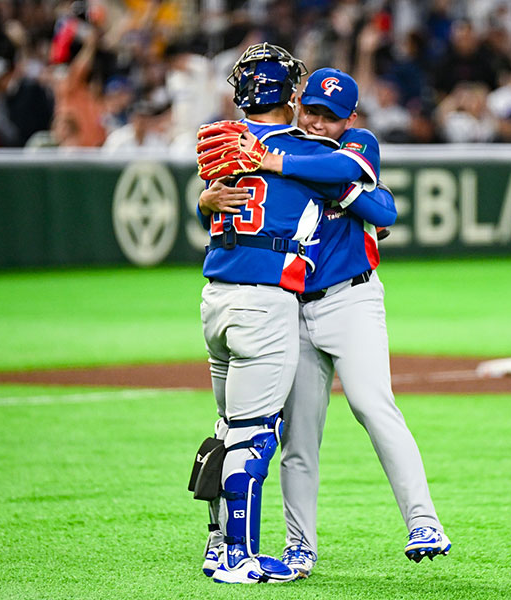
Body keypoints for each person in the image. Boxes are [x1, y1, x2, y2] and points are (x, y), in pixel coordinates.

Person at [254, 67, 451, 578]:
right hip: (291, 306)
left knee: (372, 404)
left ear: (351, 119)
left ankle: (424, 521)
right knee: (298, 435)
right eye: (312, 110)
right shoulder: (276, 142)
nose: (319, 123)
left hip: (352, 300)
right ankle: (299, 547)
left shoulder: (354, 142)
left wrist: (284, 167)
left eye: (330, 117)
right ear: (297, 103)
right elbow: (370, 203)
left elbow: (384, 208)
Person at [190, 42, 331, 585]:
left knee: (227, 429)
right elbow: (356, 180)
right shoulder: (306, 149)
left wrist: (204, 201)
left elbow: (214, 200)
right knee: (253, 435)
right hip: (264, 298)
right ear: (290, 93)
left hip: (216, 297)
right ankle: (238, 558)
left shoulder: (226, 145)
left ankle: (216, 543)